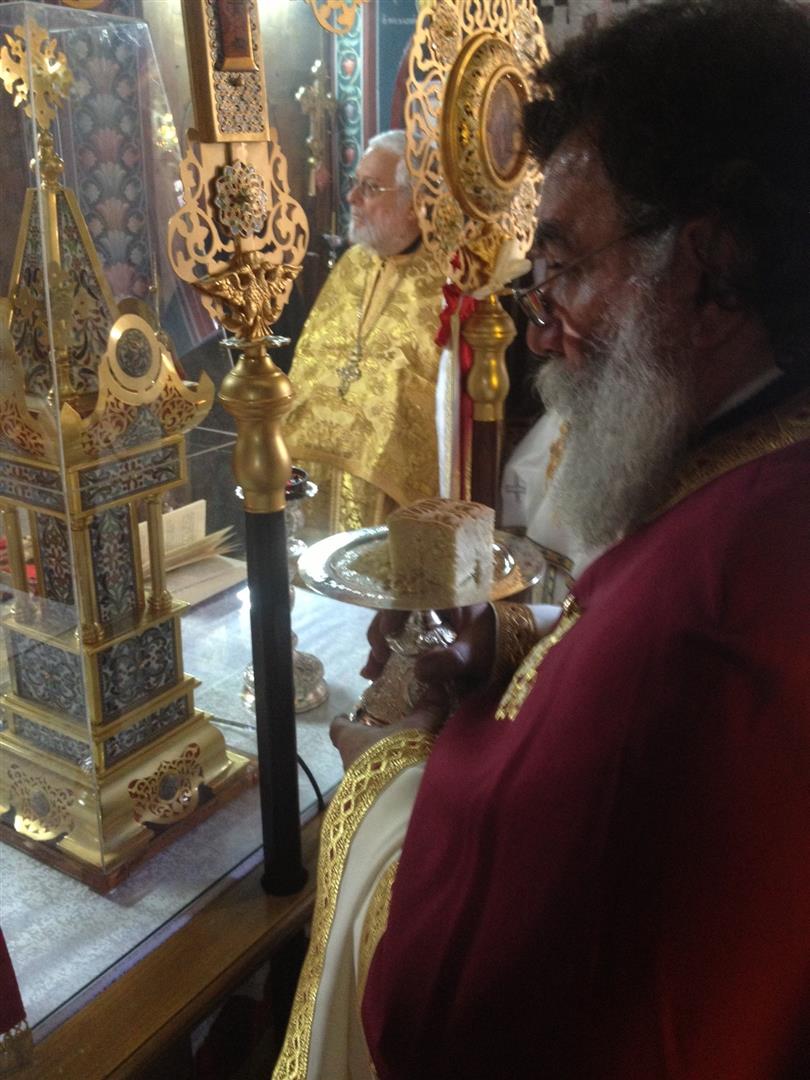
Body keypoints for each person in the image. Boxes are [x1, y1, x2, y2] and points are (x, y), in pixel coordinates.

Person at [274, 2, 810, 1077]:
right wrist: (523, 656)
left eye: (562, 267)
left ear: (707, 272)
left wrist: (386, 770)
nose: (540, 323)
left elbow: (470, 995)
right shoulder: (759, 468)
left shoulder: (701, 613)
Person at [284, 130, 447, 536]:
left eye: (370, 188)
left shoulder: (447, 279)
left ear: (415, 204)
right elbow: (310, 359)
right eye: (355, 183)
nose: (352, 197)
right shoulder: (353, 263)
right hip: (313, 469)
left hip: (386, 496)